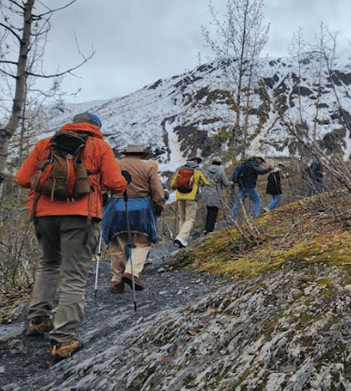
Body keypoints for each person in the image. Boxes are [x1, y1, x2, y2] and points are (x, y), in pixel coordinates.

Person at [15, 112, 128, 362]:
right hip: (81, 215)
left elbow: (22, 179)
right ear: (96, 127)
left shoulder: (45, 144)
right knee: (74, 275)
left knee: (48, 264)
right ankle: (64, 340)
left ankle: (38, 319)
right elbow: (115, 183)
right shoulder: (99, 145)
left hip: (43, 214)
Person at [101, 143, 165, 293]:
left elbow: (104, 187)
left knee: (118, 243)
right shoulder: (148, 167)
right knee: (142, 242)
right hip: (141, 206)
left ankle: (116, 280)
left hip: (116, 207)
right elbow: (157, 191)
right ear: (142, 155)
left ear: (126, 154)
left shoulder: (115, 165)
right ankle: (131, 272)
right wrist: (159, 206)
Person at [169, 154, 210, 248]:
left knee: (182, 218)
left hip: (180, 197)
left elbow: (172, 184)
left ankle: (181, 239)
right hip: (191, 197)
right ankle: (181, 237)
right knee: (190, 219)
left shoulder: (180, 169)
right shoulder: (198, 170)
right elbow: (207, 181)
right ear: (195, 160)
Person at [230, 156, 272, 221]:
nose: (261, 163)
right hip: (249, 186)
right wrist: (269, 169)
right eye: (261, 161)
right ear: (258, 159)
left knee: (238, 202)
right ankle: (255, 216)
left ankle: (232, 219)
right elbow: (260, 171)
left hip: (242, 186)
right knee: (257, 200)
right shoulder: (253, 164)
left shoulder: (246, 163)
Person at [199, 157, 231, 233]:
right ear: (219, 163)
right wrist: (232, 183)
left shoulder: (206, 171)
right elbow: (226, 183)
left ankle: (206, 228)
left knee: (209, 211)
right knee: (214, 211)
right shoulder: (220, 171)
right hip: (215, 193)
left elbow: (201, 182)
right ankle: (209, 230)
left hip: (205, 193)